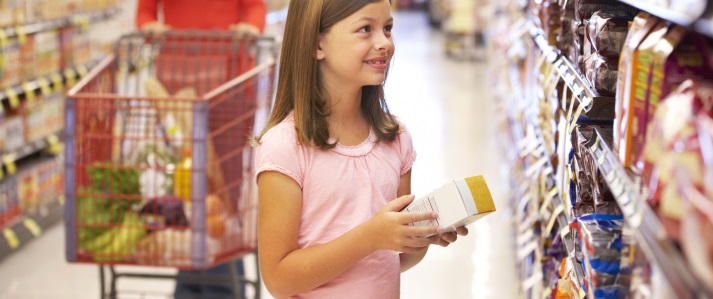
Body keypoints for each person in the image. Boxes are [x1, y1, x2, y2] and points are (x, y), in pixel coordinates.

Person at [254, 0, 469, 298]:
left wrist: (418, 238)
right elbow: (278, 279)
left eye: (388, 28)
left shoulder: (396, 139)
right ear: (318, 45)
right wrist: (370, 237)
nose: (384, 42)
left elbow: (395, 258)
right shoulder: (286, 147)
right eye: (365, 29)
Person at [135, 1, 267, 299]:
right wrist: (148, 27)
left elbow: (255, 7)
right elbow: (144, 11)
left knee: (223, 191)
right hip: (177, 82)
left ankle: (209, 286)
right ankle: (199, 285)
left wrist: (250, 27)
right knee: (187, 189)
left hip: (230, 80)